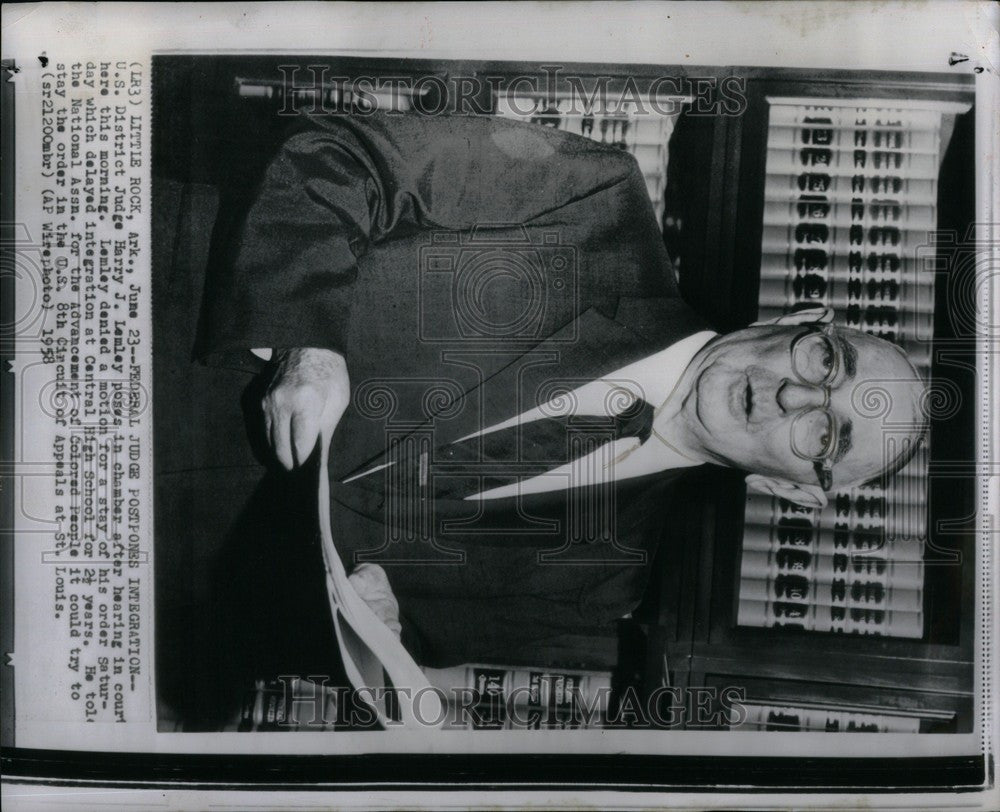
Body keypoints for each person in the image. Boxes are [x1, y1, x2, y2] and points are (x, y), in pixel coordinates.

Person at [196, 111, 926, 669]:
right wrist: (308, 340)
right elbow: (339, 156)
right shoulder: (595, 201)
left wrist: (373, 623)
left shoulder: (598, 595)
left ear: (795, 491)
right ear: (798, 318)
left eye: (827, 435)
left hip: (175, 564)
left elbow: (346, 640)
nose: (795, 397)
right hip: (156, 330)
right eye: (826, 363)